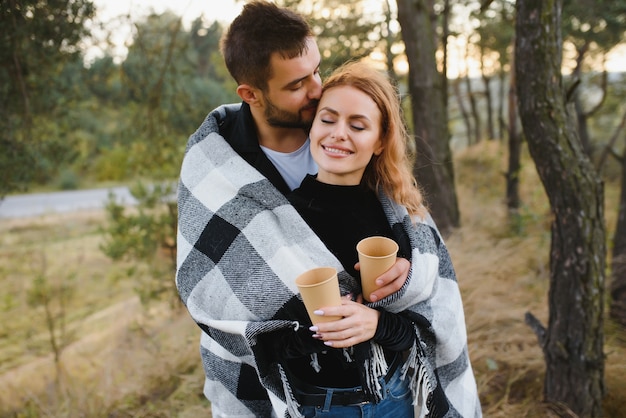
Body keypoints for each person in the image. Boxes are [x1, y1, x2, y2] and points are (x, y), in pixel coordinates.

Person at [176, 2, 413, 417]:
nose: (318, 90)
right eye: (297, 84)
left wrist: (409, 267)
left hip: (382, 371)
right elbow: (208, 281)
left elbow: (404, 216)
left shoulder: (341, 131)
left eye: (317, 70)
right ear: (251, 94)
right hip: (283, 374)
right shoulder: (216, 160)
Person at [261, 60, 482, 417]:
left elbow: (427, 329)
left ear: (380, 140)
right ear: (313, 126)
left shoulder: (404, 220)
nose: (338, 134)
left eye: (358, 125)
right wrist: (316, 328)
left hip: (397, 399)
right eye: (328, 119)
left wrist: (377, 323)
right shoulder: (278, 219)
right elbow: (261, 343)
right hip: (319, 407)